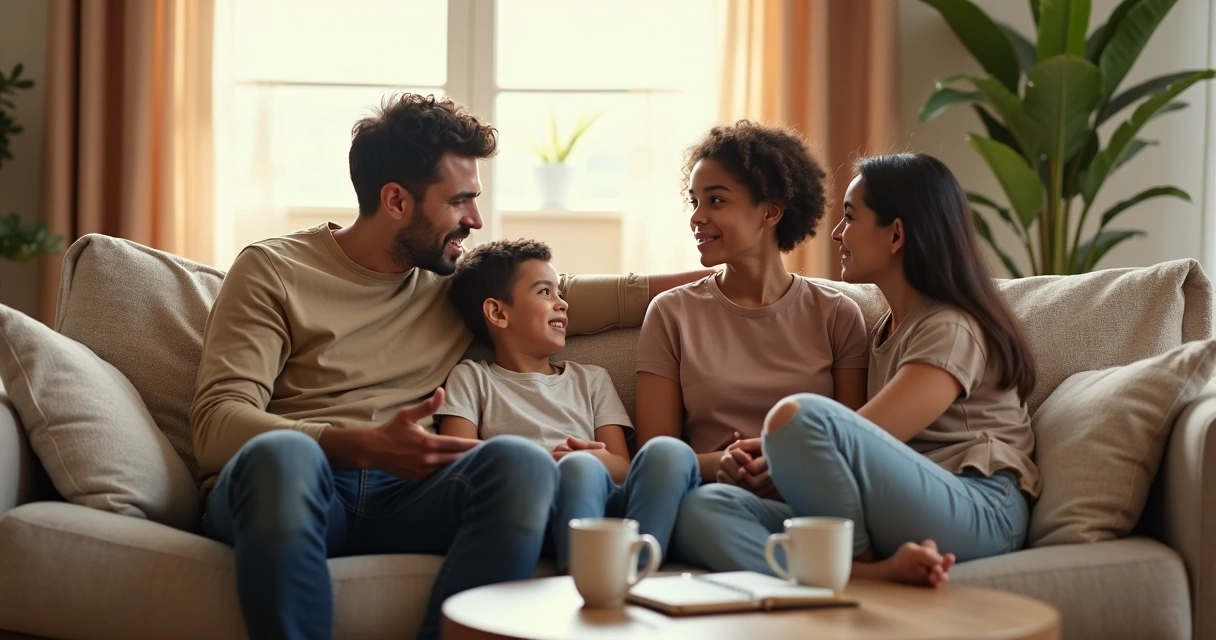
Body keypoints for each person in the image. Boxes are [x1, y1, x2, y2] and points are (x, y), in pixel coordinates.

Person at [191, 93, 708, 640]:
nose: (475, 220)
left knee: (521, 464)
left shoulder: (451, 284)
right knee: (283, 454)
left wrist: (729, 272)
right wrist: (362, 445)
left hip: (407, 496)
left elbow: (594, 295)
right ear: (395, 200)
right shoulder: (273, 269)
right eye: (460, 201)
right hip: (296, 487)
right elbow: (216, 425)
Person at [674, 152, 1041, 587]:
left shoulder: (951, 326)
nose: (836, 233)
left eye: (849, 217)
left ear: (896, 234)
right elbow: (853, 448)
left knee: (796, 417)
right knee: (703, 507)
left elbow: (869, 433)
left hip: (980, 506)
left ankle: (852, 564)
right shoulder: (886, 327)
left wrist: (782, 451)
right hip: (898, 507)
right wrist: (781, 457)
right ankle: (869, 572)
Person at [634, 120, 868, 499]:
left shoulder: (837, 315)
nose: (696, 217)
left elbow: (854, 444)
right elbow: (655, 458)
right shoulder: (670, 313)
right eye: (694, 202)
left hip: (810, 497)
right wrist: (720, 463)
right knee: (705, 510)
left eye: (716, 200)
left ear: (770, 212)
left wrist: (787, 465)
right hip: (712, 498)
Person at [437, 238, 699, 573]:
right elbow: (461, 464)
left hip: (608, 503)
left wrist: (593, 457)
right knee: (579, 468)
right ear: (498, 313)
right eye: (545, 292)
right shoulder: (472, 378)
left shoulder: (591, 379)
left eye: (560, 293)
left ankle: (638, 570)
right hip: (534, 509)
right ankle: (581, 577)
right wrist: (550, 463)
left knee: (668, 452)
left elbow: (622, 466)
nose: (562, 304)